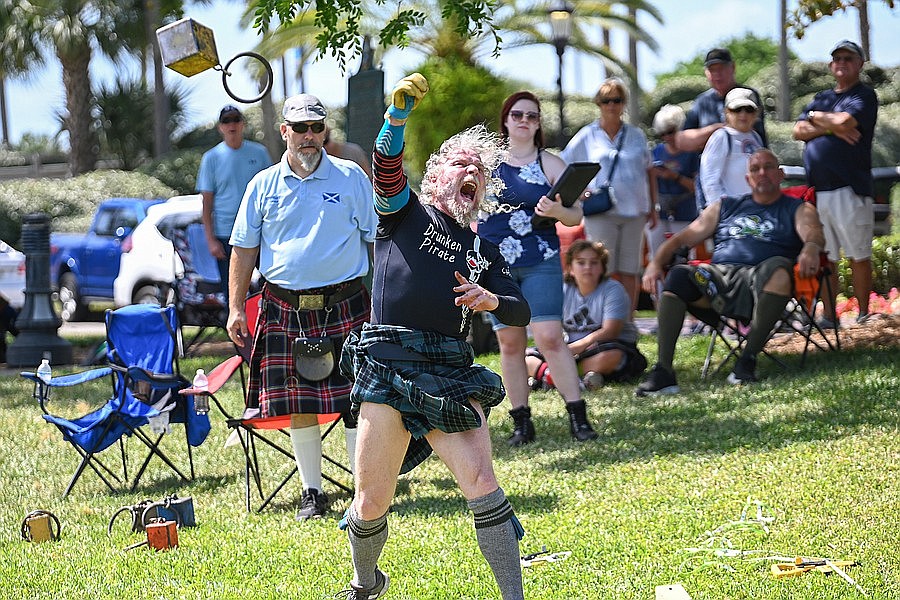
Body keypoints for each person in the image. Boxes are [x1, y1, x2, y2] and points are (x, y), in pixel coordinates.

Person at [337, 74, 531, 600]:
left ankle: (513, 594)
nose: (470, 172)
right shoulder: (403, 213)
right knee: (372, 501)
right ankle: (364, 582)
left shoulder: (483, 252)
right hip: (389, 361)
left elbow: (519, 308)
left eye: (479, 171)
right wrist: (395, 119)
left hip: (448, 369)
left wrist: (491, 301)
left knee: (482, 484)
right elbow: (385, 166)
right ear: (435, 176)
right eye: (459, 164)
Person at [226, 94, 376, 521]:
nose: (309, 137)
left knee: (356, 398)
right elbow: (243, 249)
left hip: (346, 303)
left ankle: (362, 492)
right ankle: (313, 492)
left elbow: (377, 239)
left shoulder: (350, 177)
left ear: (325, 132)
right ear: (284, 131)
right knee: (299, 405)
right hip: (284, 308)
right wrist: (237, 307)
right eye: (301, 128)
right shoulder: (262, 185)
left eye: (317, 128)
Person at [636, 149, 825, 395]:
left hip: (763, 277)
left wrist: (810, 248)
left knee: (778, 267)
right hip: (720, 278)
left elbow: (813, 233)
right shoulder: (726, 206)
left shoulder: (796, 208)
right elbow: (682, 239)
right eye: (755, 169)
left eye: (768, 167)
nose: (762, 173)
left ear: (780, 175)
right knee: (679, 276)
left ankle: (746, 361)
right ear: (748, 179)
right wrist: (654, 264)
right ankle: (663, 372)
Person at [478, 91, 597, 447]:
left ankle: (577, 415)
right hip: (496, 266)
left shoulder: (551, 163)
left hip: (540, 258)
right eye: (517, 115)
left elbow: (576, 213)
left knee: (549, 338)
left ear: (538, 124)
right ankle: (521, 423)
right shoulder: (486, 162)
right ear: (505, 119)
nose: (524, 121)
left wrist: (556, 212)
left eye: (532, 116)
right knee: (510, 344)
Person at [792, 40, 878, 326]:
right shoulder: (821, 98)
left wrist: (819, 122)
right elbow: (798, 130)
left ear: (859, 63)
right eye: (837, 58)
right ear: (831, 65)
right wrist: (830, 125)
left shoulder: (864, 95)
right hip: (819, 191)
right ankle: (829, 316)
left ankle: (864, 314)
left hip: (849, 188)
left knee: (858, 254)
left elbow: (846, 122)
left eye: (848, 58)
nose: (842, 62)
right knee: (826, 257)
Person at [561, 77, 658, 313]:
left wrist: (654, 206)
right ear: (599, 103)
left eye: (617, 100)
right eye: (606, 100)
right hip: (601, 212)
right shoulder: (587, 135)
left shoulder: (636, 135)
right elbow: (565, 165)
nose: (612, 105)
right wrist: (580, 192)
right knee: (601, 268)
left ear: (623, 103)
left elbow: (649, 171)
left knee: (630, 270)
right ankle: (600, 319)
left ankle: (626, 325)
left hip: (635, 211)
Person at [526, 239, 647, 391]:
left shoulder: (613, 289)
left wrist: (575, 348)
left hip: (603, 347)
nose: (588, 267)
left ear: (603, 267)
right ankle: (553, 375)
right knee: (526, 359)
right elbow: (544, 322)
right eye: (581, 262)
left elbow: (611, 331)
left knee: (612, 356)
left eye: (594, 262)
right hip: (568, 350)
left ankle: (552, 377)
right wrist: (558, 349)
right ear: (570, 268)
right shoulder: (561, 289)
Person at [196, 105, 272, 304]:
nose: (232, 125)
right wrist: (211, 240)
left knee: (271, 286)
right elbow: (207, 203)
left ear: (242, 124)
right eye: (226, 121)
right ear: (220, 127)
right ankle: (238, 334)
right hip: (226, 235)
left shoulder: (260, 152)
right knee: (233, 292)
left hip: (260, 232)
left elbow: (274, 194)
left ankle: (267, 331)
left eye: (235, 120)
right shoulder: (211, 158)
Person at [677, 48, 768, 210]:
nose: (743, 114)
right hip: (716, 193)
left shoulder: (748, 95)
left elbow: (758, 145)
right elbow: (682, 141)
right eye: (712, 70)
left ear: (732, 68)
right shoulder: (702, 102)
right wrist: (720, 129)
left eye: (721, 69)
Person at [646, 104, 700, 261]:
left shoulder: (691, 153)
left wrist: (675, 177)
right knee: (656, 258)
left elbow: (698, 188)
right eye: (662, 134)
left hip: (685, 212)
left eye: (670, 132)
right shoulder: (655, 152)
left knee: (685, 259)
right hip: (659, 213)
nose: (667, 137)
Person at [698, 88, 765, 209]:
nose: (743, 114)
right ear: (726, 112)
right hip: (730, 213)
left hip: (754, 210)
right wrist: (721, 210)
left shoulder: (756, 137)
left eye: (749, 110)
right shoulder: (721, 137)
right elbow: (709, 180)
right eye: (737, 109)